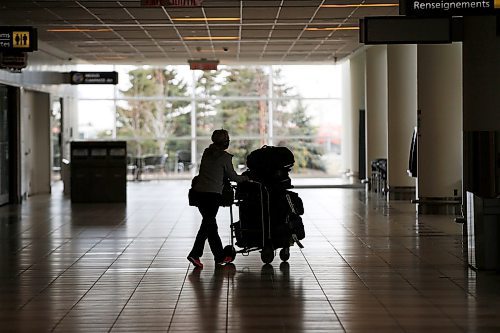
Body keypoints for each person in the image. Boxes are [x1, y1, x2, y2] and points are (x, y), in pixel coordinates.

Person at [187, 129, 248, 269]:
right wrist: (246, 178)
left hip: (198, 193)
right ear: (224, 142)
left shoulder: (207, 153)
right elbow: (233, 177)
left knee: (210, 225)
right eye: (227, 138)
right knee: (208, 225)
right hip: (212, 195)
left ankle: (219, 256)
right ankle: (195, 254)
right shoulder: (225, 157)